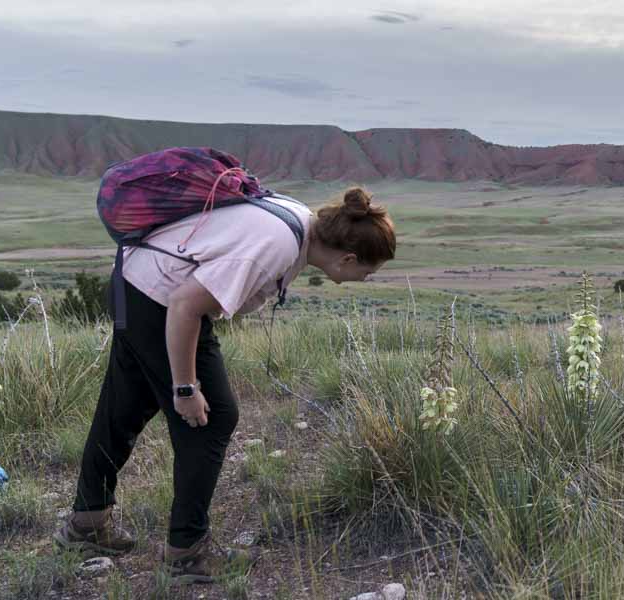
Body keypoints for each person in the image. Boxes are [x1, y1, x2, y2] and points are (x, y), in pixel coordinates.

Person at [54, 187, 395, 584]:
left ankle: (87, 525)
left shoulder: (299, 221)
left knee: (124, 407)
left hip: (134, 283)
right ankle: (186, 553)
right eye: (366, 272)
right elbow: (185, 305)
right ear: (348, 258)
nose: (363, 279)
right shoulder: (277, 246)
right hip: (160, 302)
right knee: (211, 419)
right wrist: (184, 388)